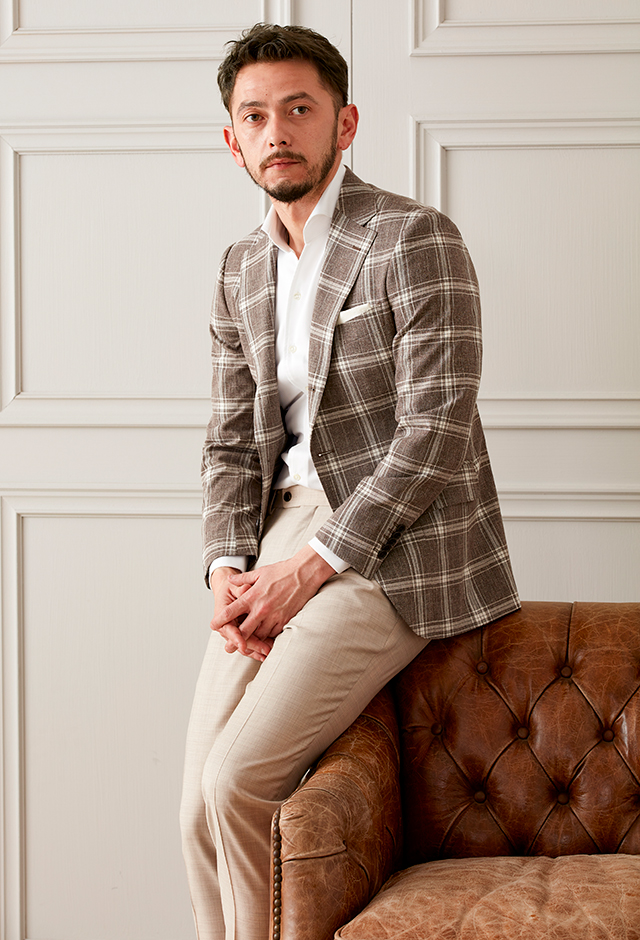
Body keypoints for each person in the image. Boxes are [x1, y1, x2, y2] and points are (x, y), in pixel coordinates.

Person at [180, 22, 519, 940]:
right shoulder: (240, 269)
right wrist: (226, 567)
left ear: (346, 122)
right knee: (194, 810)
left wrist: (309, 567)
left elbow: (435, 433)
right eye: (256, 116)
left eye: (300, 108)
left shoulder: (413, 238)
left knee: (237, 782)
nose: (278, 132)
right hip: (275, 537)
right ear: (233, 140)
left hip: (397, 542)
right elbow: (230, 443)